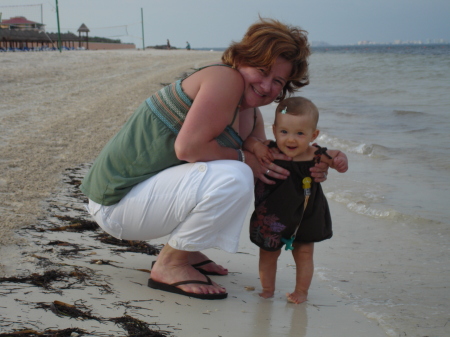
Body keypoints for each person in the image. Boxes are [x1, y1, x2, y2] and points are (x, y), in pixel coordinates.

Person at [80, 18, 328, 300]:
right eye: (261, 71)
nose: (266, 86)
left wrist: (312, 167)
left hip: (137, 201)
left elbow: (267, 166)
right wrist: (243, 157)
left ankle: (188, 248)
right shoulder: (225, 79)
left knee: (241, 172)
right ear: (240, 58)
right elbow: (188, 148)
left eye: (278, 82)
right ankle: (171, 263)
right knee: (236, 174)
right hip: (115, 203)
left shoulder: (251, 114)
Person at [244, 96, 348, 304]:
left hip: (305, 213)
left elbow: (337, 155)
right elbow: (248, 141)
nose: (291, 139)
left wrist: (340, 161)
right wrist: (255, 148)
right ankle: (267, 289)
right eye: (284, 132)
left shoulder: (317, 154)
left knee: (304, 252)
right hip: (272, 214)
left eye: (300, 133)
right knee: (268, 252)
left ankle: (301, 291)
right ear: (274, 130)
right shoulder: (269, 150)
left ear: (313, 134)